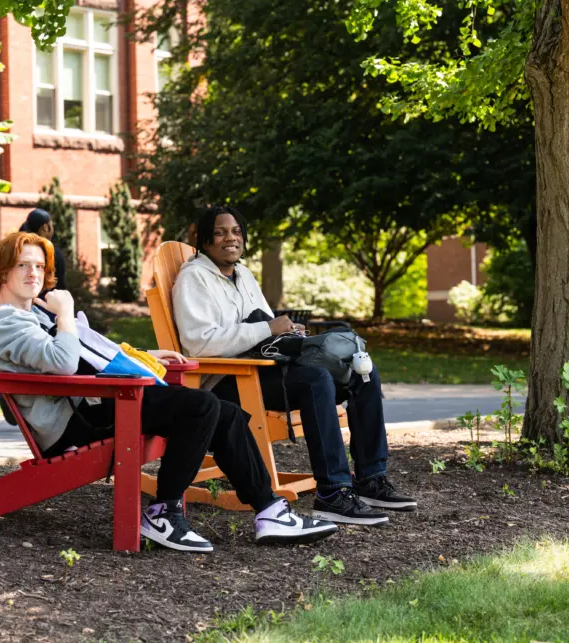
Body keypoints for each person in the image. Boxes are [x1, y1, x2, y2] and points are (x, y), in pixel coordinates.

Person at [0, 231, 339, 552]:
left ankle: (269, 511)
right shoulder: (2, 321)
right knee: (201, 407)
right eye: (23, 265)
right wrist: (66, 312)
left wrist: (142, 357)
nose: (34, 273)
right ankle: (163, 513)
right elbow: (65, 363)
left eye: (38, 266)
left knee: (220, 410)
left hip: (94, 401)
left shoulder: (35, 313)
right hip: (75, 422)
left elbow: (87, 356)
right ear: (2, 271)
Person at [171, 206, 418, 527]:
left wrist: (287, 332)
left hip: (263, 368)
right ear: (204, 241)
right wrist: (268, 329)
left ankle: (371, 478)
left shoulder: (242, 274)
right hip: (227, 381)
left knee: (361, 371)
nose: (230, 238)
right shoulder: (193, 279)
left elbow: (266, 323)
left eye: (235, 231)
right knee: (314, 379)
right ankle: (332, 493)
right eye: (219, 232)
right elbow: (198, 343)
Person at [19, 208, 68, 292]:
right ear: (45, 227)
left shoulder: (19, 249)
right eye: (51, 225)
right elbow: (61, 288)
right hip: (46, 303)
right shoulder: (53, 253)